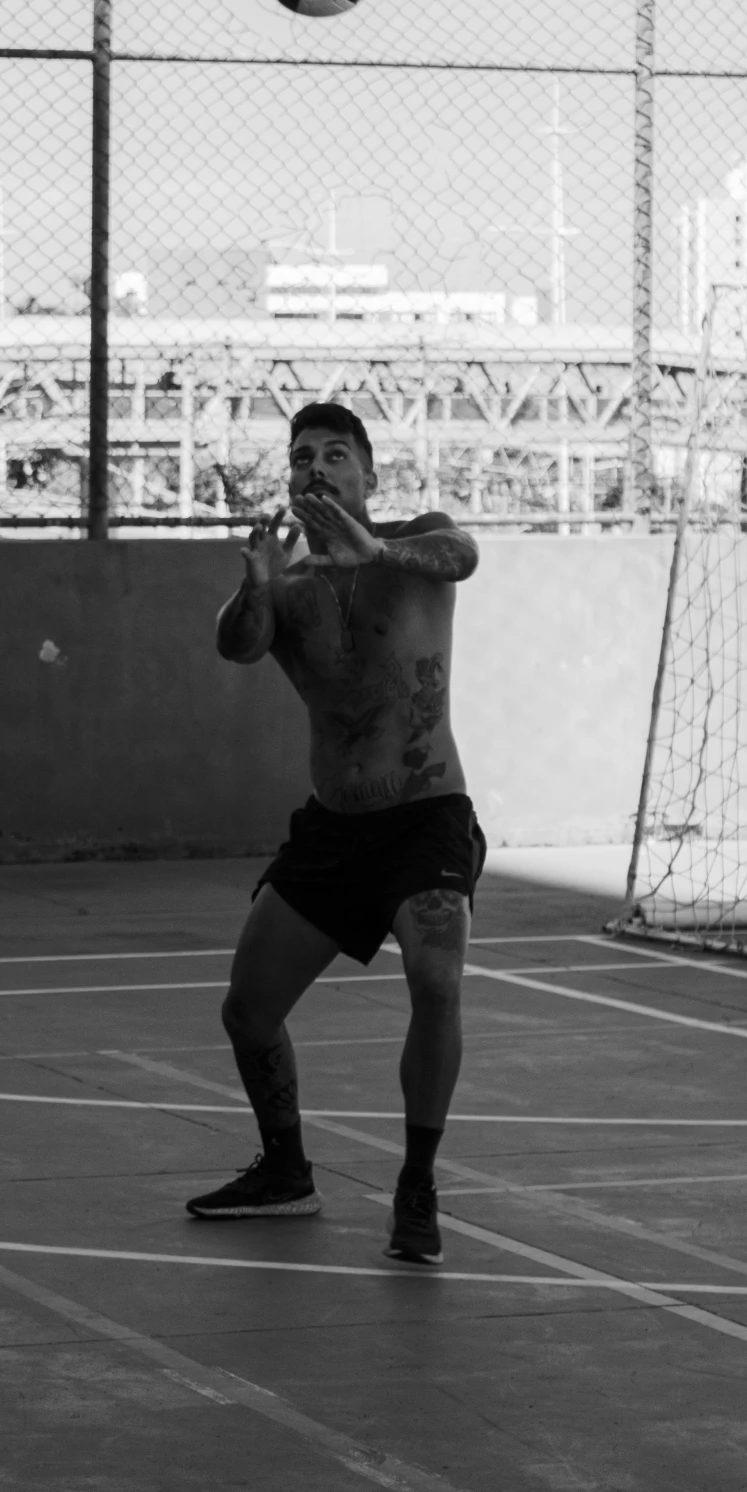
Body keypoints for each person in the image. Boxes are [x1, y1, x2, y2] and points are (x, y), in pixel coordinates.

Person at [186, 401, 483, 1266]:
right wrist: (256, 585)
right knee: (247, 1011)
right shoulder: (289, 586)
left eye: (336, 455)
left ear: (368, 475)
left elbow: (462, 555)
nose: (316, 468)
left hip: (425, 817)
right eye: (302, 457)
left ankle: (416, 1185)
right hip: (332, 834)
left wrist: (375, 548)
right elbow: (235, 646)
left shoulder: (416, 544)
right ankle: (284, 1172)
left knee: (435, 978)